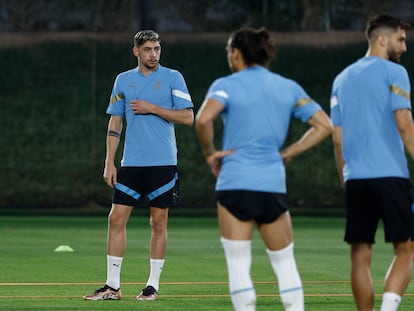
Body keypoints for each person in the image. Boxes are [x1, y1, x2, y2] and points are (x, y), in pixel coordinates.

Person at [195, 27, 333, 311]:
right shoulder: (288, 87)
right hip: (272, 183)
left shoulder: (227, 84)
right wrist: (288, 153)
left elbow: (203, 120)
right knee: (284, 263)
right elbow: (324, 126)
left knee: (238, 265)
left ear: (236, 53)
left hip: (234, 183)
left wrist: (211, 154)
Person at [83, 30, 194, 301]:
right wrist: (109, 162)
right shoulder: (123, 80)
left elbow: (188, 117)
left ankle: (152, 286)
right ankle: (112, 286)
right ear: (136, 51)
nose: (153, 54)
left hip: (163, 163)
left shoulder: (172, 77)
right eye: (148, 49)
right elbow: (115, 122)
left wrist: (152, 107)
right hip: (130, 164)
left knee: (158, 222)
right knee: (115, 218)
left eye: (157, 49)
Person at [330, 14, 414, 311]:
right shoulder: (395, 73)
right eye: (401, 39)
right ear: (382, 39)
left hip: (356, 179)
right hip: (391, 176)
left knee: (360, 253)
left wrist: (345, 176)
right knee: (406, 248)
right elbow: (404, 124)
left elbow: (337, 138)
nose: (404, 47)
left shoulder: (341, 79)